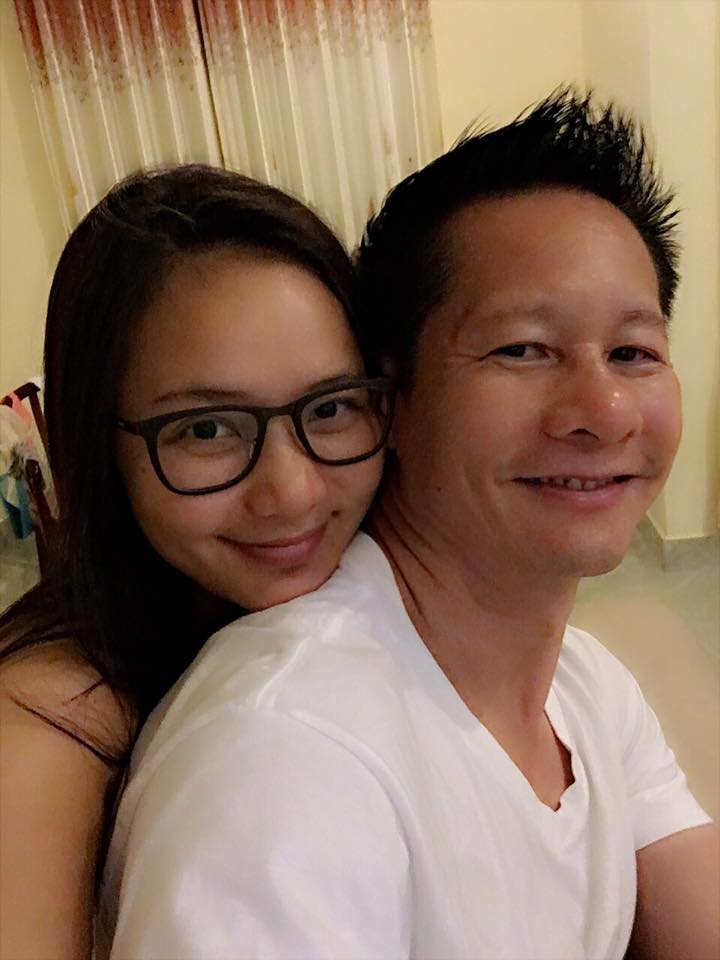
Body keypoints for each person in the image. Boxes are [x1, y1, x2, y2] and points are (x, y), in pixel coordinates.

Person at [101, 91, 719, 959]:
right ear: (389, 401)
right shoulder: (285, 760)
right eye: (522, 349)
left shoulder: (587, 687)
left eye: (633, 352)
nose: (606, 410)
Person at [0, 165, 392, 959]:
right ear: (99, 449)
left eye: (329, 407)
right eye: (206, 429)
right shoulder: (49, 716)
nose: (292, 492)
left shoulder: (386, 575)